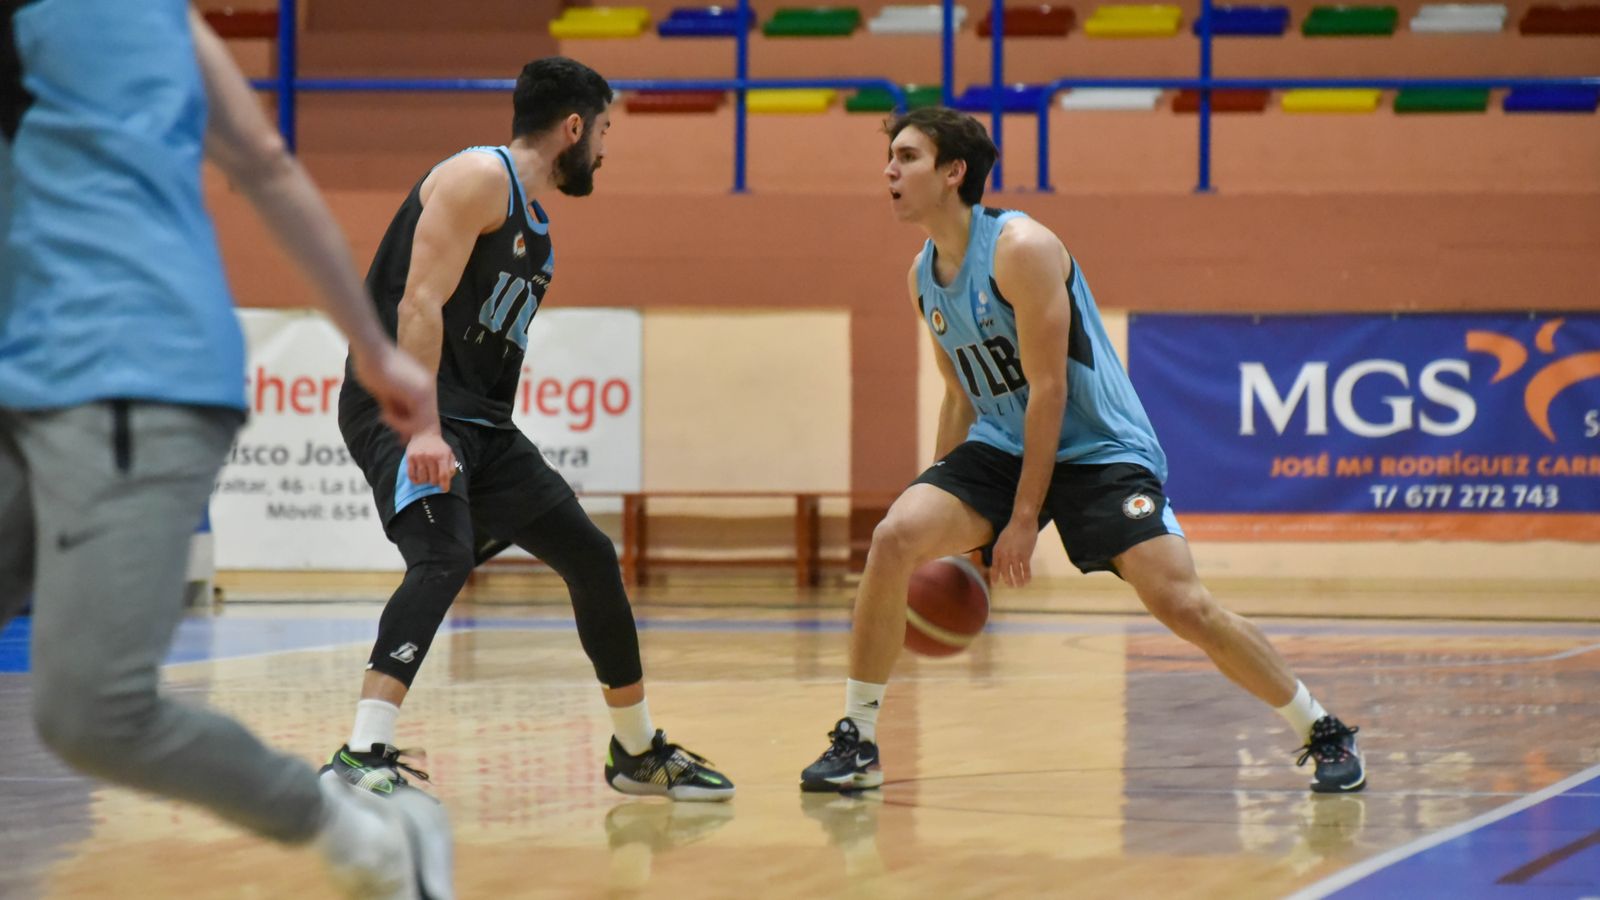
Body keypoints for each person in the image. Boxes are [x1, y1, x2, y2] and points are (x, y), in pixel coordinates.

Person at [0, 3, 453, 898]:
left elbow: (261, 162)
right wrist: (369, 345)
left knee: (94, 713)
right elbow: (263, 159)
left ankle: (363, 835)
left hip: (124, 366)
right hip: (27, 372)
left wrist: (371, 344)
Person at [799, 107, 1366, 795]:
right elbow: (958, 395)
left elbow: (1049, 391)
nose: (889, 169)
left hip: (1099, 448)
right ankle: (858, 741)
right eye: (889, 156)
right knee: (895, 538)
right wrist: (946, 523)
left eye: (908, 156)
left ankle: (1320, 727)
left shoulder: (1022, 247)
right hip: (1002, 443)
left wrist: (1021, 520)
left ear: (954, 173)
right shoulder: (923, 276)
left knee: (1183, 604)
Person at [325, 56, 733, 802]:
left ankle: (637, 751)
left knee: (590, 553)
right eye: (604, 130)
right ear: (574, 126)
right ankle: (360, 752)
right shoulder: (480, 177)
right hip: (402, 401)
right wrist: (422, 431)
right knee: (442, 557)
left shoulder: (535, 224)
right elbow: (418, 302)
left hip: (482, 423)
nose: (605, 150)